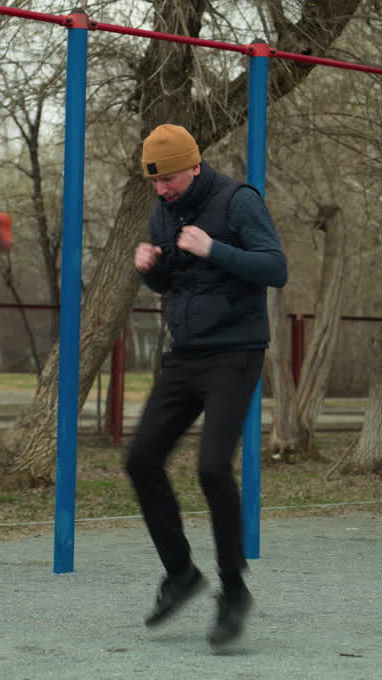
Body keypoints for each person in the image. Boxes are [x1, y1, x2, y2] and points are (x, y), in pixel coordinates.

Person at [125, 123, 287, 648]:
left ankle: (233, 590)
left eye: (168, 179)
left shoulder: (238, 200)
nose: (162, 190)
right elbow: (174, 280)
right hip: (185, 354)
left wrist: (215, 248)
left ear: (193, 166)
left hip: (235, 354)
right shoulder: (164, 211)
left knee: (213, 466)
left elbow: (276, 268)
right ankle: (181, 574)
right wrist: (150, 270)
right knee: (141, 458)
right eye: (155, 182)